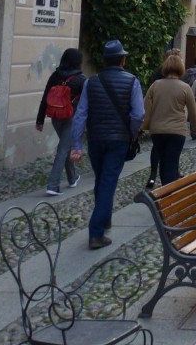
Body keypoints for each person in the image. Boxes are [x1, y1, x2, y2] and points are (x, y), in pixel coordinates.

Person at [70, 39, 144, 250]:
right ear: (122, 60)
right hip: (118, 140)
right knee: (108, 182)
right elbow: (138, 114)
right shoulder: (132, 81)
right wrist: (132, 133)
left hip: (96, 139)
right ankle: (96, 232)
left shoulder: (91, 82)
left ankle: (104, 217)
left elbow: (81, 114)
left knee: (101, 180)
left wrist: (77, 144)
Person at [142, 48, 196, 189]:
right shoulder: (185, 87)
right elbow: (193, 111)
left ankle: (165, 189)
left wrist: (144, 126)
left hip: (158, 130)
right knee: (172, 161)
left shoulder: (155, 85)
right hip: (177, 131)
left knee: (162, 160)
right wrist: (195, 129)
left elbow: (146, 107)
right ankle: (168, 192)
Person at [35, 48, 86, 196]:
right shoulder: (81, 79)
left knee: (66, 147)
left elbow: (45, 98)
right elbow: (85, 103)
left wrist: (40, 119)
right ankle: (53, 185)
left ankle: (72, 177)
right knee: (63, 149)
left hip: (55, 117)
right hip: (71, 118)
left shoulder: (55, 76)